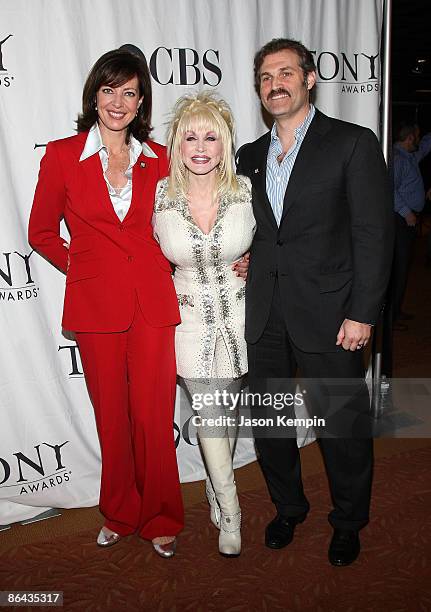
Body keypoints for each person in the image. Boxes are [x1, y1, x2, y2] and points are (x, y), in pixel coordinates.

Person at [236, 38, 393, 566]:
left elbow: (374, 233)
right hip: (265, 313)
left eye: (285, 72)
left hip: (333, 313)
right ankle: (288, 507)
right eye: (264, 77)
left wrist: (362, 312)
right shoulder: (249, 156)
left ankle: (348, 521)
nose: (274, 83)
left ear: (309, 79)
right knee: (271, 424)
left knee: (341, 428)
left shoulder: (351, 143)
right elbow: (261, 233)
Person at [28, 47, 183, 558]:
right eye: (110, 89)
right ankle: (119, 510)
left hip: (153, 304)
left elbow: (183, 225)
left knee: (154, 418)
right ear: (95, 94)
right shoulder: (61, 156)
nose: (119, 102)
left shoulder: (160, 159)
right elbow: (42, 233)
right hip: (96, 308)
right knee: (111, 417)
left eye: (131, 93)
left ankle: (161, 515)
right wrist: (84, 269)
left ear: (142, 103)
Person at [153, 91, 255, 556]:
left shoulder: (247, 191)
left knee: (226, 415)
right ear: (176, 144)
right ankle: (231, 513)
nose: (200, 146)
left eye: (210, 136)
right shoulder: (158, 195)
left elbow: (282, 242)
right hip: (188, 323)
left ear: (224, 143)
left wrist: (258, 259)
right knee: (212, 414)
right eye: (190, 136)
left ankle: (216, 489)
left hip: (241, 320)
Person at [391, 121, 431, 330]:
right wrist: (407, 213)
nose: (418, 140)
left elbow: (425, 147)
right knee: (398, 268)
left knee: (403, 268)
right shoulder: (399, 160)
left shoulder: (409, 157)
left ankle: (396, 311)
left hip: (407, 220)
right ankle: (391, 316)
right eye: (416, 136)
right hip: (400, 220)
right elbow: (390, 189)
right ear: (408, 139)